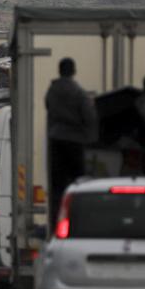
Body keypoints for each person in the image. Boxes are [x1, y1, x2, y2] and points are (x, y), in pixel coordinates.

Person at [45, 57, 98, 225]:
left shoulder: (52, 90)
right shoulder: (78, 92)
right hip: (74, 141)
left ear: (59, 70)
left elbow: (48, 107)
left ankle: (56, 221)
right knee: (78, 183)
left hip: (55, 139)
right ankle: (78, 220)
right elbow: (89, 116)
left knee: (57, 186)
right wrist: (91, 136)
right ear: (73, 71)